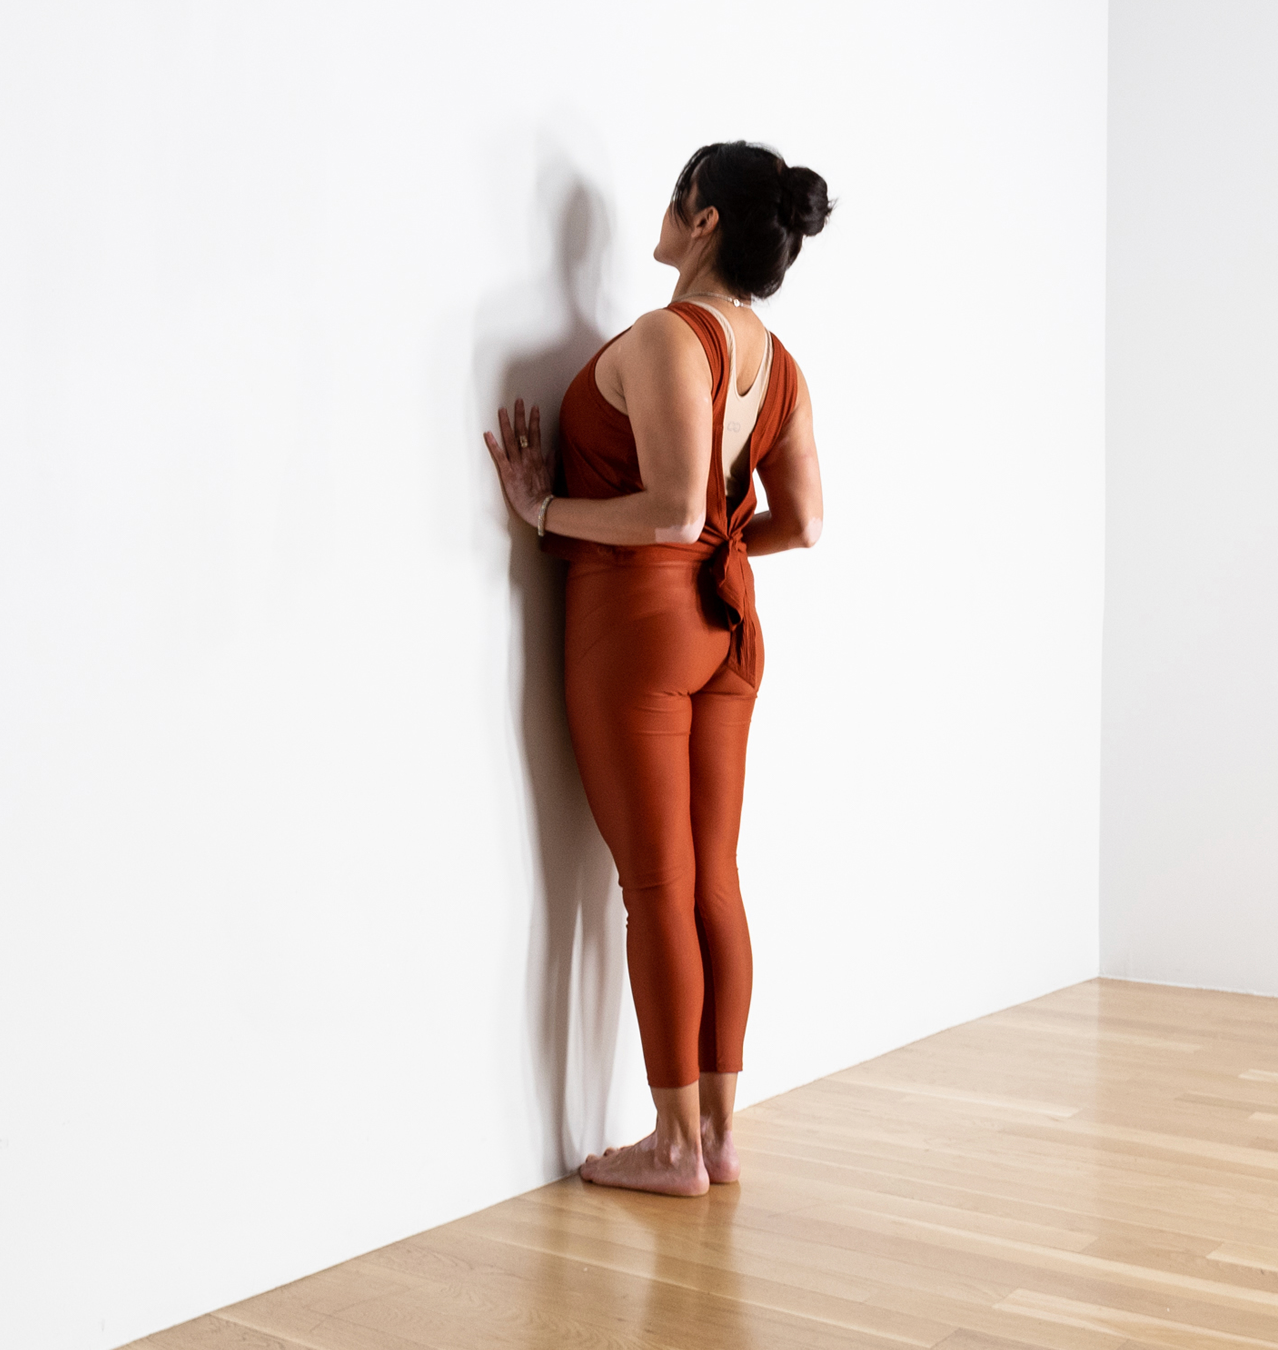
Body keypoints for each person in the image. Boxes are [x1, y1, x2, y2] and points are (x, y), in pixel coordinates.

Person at [483, 141, 832, 1196]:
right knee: (712, 878)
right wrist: (717, 544)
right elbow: (800, 524)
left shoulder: (665, 338)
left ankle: (672, 1147)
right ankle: (717, 1135)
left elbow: (672, 509)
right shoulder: (778, 363)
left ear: (705, 219)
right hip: (728, 629)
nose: (666, 214)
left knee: (654, 888)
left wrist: (543, 511)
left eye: (677, 198)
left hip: (635, 625)